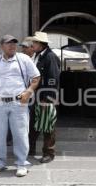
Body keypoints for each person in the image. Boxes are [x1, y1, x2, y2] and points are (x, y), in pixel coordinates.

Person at [0, 35, 40, 177]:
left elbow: (36, 77)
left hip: (18, 103)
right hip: (0, 103)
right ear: (1, 45)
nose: (12, 46)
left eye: (14, 43)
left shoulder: (24, 60)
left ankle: (21, 163)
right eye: (9, 44)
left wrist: (28, 92)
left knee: (20, 135)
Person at [29, 32, 60, 164]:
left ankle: (49, 153)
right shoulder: (37, 55)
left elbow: (53, 79)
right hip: (35, 96)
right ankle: (30, 148)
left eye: (34, 42)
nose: (32, 44)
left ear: (41, 44)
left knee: (48, 126)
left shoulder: (50, 57)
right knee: (34, 123)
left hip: (45, 97)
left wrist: (47, 98)